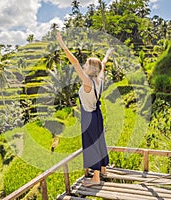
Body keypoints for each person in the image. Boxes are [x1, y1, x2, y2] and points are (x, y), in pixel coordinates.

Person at [57, 32, 113, 187]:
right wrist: (107, 55)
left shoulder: (88, 82)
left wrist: (62, 44)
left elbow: (74, 61)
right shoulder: (100, 79)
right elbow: (104, 63)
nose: (84, 65)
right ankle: (103, 169)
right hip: (97, 114)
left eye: (87, 64)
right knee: (99, 140)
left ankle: (95, 178)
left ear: (91, 69)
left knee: (91, 144)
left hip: (88, 116)